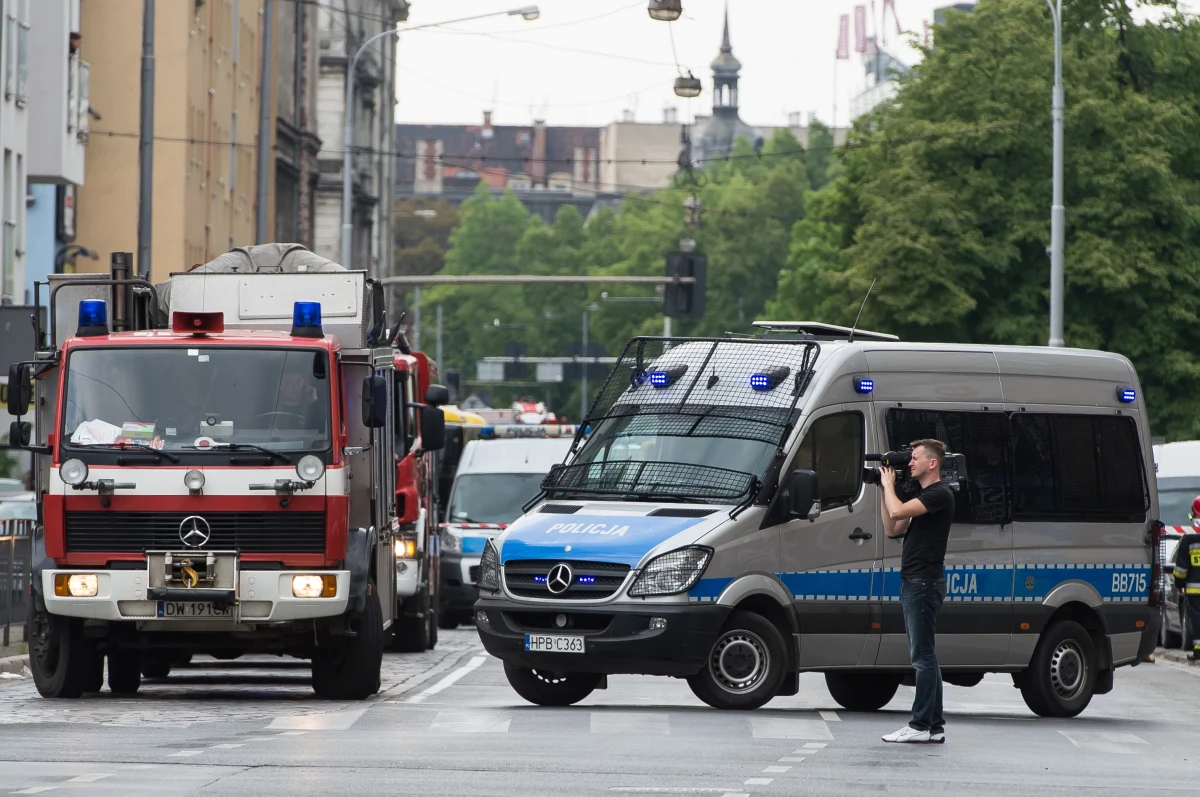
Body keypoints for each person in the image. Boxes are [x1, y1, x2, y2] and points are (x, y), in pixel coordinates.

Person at [878, 439, 956, 744]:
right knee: (928, 656)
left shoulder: (939, 493)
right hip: (917, 581)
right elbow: (891, 528)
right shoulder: (926, 496)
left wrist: (888, 486)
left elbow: (896, 512)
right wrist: (881, 489)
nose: (910, 463)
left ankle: (920, 724)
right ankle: (934, 726)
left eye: (915, 458)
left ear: (932, 463)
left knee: (921, 657)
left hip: (923, 583)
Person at [1172, 498, 1200, 660]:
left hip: (1195, 589)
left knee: (1196, 618)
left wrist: (1179, 584)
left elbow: (1181, 567)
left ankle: (1198, 649)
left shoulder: (1189, 535)